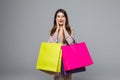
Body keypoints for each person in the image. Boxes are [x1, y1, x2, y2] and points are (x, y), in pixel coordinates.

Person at [48, 9, 74, 80]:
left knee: (68, 77)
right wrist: (57, 29)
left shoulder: (70, 29)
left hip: (67, 56)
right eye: (58, 16)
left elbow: (71, 42)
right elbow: (51, 44)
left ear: (65, 18)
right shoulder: (52, 30)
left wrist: (64, 29)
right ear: (56, 18)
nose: (60, 18)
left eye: (63, 16)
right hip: (56, 56)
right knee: (57, 77)